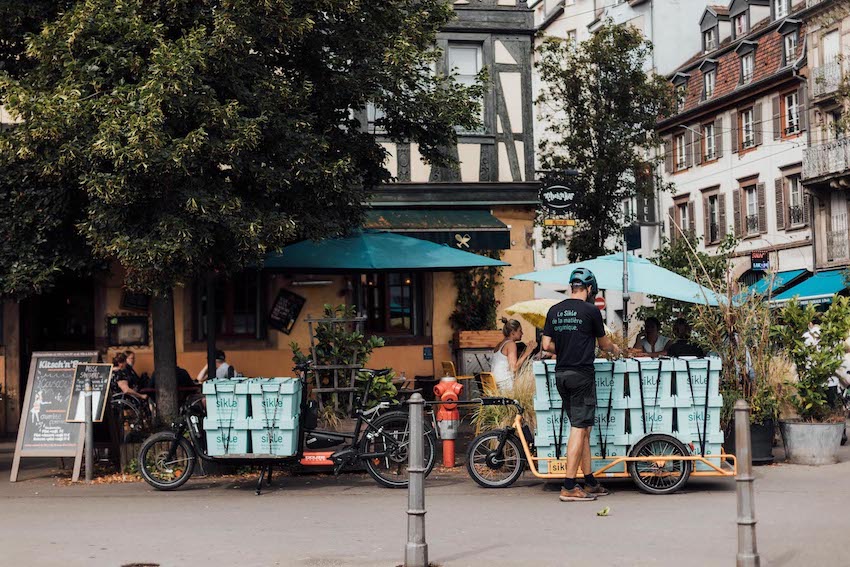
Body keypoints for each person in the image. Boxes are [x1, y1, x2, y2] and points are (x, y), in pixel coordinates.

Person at [542, 267, 621, 502]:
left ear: (571, 287)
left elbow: (546, 345)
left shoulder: (554, 310)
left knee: (584, 428)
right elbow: (605, 345)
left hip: (561, 376)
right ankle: (568, 486)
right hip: (581, 376)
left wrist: (564, 348)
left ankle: (590, 481)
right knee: (579, 428)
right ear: (588, 289)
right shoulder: (591, 311)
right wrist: (616, 350)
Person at [490, 318, 536, 391]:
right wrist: (526, 353)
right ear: (513, 332)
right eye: (520, 331)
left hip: (496, 383)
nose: (522, 333)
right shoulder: (511, 344)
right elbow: (514, 368)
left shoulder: (499, 344)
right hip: (505, 385)